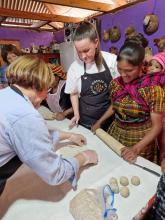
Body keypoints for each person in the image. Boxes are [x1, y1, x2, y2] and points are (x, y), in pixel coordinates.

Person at [0, 55, 98, 196]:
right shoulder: (26, 116)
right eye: (47, 89)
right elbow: (55, 173)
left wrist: (69, 135)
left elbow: (35, 137)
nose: (47, 95)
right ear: (36, 85)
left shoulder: (5, 94)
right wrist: (84, 157)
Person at [92, 41, 165, 163]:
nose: (123, 74)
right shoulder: (115, 84)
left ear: (141, 65)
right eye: (119, 69)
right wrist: (99, 121)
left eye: (128, 70)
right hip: (116, 134)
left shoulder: (152, 89)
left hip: (140, 140)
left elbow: (157, 127)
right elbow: (114, 105)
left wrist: (136, 149)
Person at [65, 21, 119, 130]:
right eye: (79, 52)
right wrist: (76, 114)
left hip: (110, 121)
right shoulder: (74, 68)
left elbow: (118, 95)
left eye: (86, 50)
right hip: (85, 121)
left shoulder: (111, 61)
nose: (83, 56)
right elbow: (74, 94)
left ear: (96, 42)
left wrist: (101, 121)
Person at [147, 52, 165, 163]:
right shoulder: (147, 80)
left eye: (157, 67)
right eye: (150, 65)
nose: (152, 68)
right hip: (151, 120)